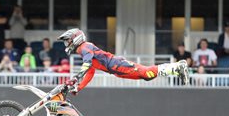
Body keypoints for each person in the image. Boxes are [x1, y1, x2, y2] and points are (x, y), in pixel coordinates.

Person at [57, 28, 189, 93]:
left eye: (68, 41)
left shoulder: (85, 47)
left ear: (76, 39)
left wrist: (76, 78)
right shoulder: (84, 51)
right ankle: (177, 71)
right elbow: (90, 72)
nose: (67, 44)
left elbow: (87, 65)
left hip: (117, 65)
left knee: (146, 73)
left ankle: (178, 66)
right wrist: (79, 87)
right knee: (147, 76)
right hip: (116, 69)